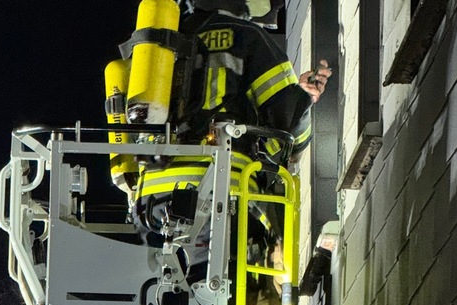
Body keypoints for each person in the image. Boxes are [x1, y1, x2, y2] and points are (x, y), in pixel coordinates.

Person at [132, 0, 331, 266]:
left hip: (152, 202)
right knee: (229, 296)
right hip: (221, 193)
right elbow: (287, 131)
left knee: (170, 291)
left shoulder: (155, 44)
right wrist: (303, 99)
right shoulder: (247, 37)